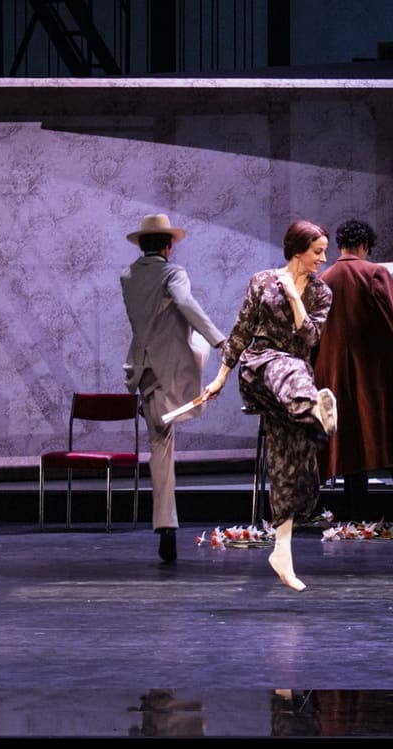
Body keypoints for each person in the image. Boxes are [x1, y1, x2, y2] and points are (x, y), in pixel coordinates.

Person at [201, 221, 339, 592]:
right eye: (317, 252)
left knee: (290, 461)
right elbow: (241, 331)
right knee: (286, 369)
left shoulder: (321, 293)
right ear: (298, 250)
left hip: (295, 378)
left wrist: (295, 298)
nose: (323, 259)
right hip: (260, 368)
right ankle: (315, 412)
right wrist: (220, 378)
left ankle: (282, 552)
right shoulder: (262, 282)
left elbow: (309, 338)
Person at [121, 213, 229, 564]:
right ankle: (166, 525)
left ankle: (166, 525)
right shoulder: (172, 273)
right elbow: (185, 303)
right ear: (168, 246)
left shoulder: (128, 276)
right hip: (168, 368)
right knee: (163, 442)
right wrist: (218, 339)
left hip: (144, 369)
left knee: (160, 445)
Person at [314, 218, 393, 531]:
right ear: (365, 245)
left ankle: (357, 518)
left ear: (340, 245)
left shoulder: (323, 279)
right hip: (376, 378)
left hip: (338, 376)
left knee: (351, 445)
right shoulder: (375, 273)